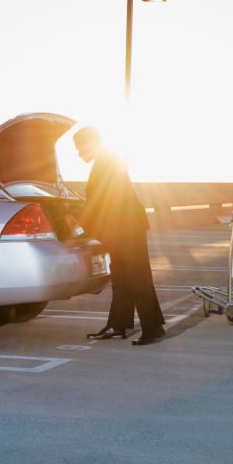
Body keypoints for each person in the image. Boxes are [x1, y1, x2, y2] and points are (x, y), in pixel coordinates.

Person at [74, 126, 166, 346]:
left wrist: (78, 222)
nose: (78, 153)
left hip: (127, 228)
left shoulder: (106, 161)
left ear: (91, 142)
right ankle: (118, 325)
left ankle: (153, 328)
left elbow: (101, 200)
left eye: (79, 148)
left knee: (137, 277)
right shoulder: (106, 160)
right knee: (122, 278)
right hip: (122, 228)